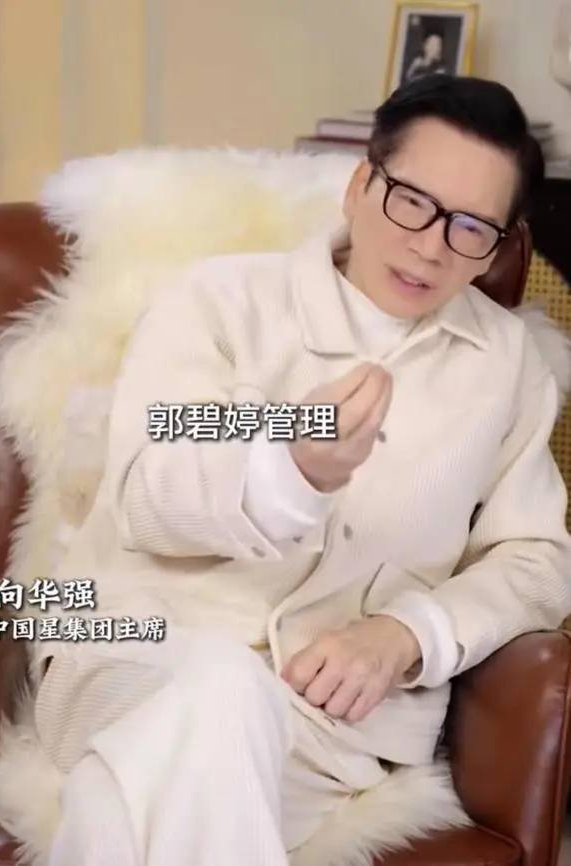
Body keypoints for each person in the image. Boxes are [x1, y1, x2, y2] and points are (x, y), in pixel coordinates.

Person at [32, 75, 571, 865]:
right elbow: (148, 492)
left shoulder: (506, 365)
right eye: (412, 202)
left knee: (125, 800)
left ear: (496, 243)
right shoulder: (219, 301)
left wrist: (407, 634)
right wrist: (288, 471)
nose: (430, 245)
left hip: (328, 730)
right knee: (220, 690)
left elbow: (536, 560)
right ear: (360, 186)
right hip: (132, 659)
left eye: (470, 227)